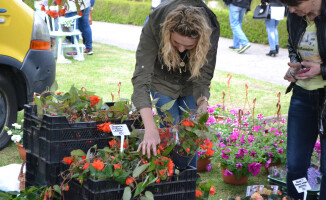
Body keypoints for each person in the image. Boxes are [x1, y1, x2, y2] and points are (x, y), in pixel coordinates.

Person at [131, 0, 219, 168]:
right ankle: (170, 176)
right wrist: (150, 128)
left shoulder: (211, 27)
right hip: (162, 78)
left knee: (190, 137)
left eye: (188, 46)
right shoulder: (155, 22)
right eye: (176, 42)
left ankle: (188, 180)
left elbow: (204, 75)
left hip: (191, 81)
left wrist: (202, 105)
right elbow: (141, 79)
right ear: (167, 32)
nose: (180, 50)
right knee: (169, 130)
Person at [281, 0, 326, 198]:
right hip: (302, 95)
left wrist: (322, 70)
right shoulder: (295, 14)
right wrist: (295, 64)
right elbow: (292, 44)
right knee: (296, 165)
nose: (290, 10)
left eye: (294, 4)